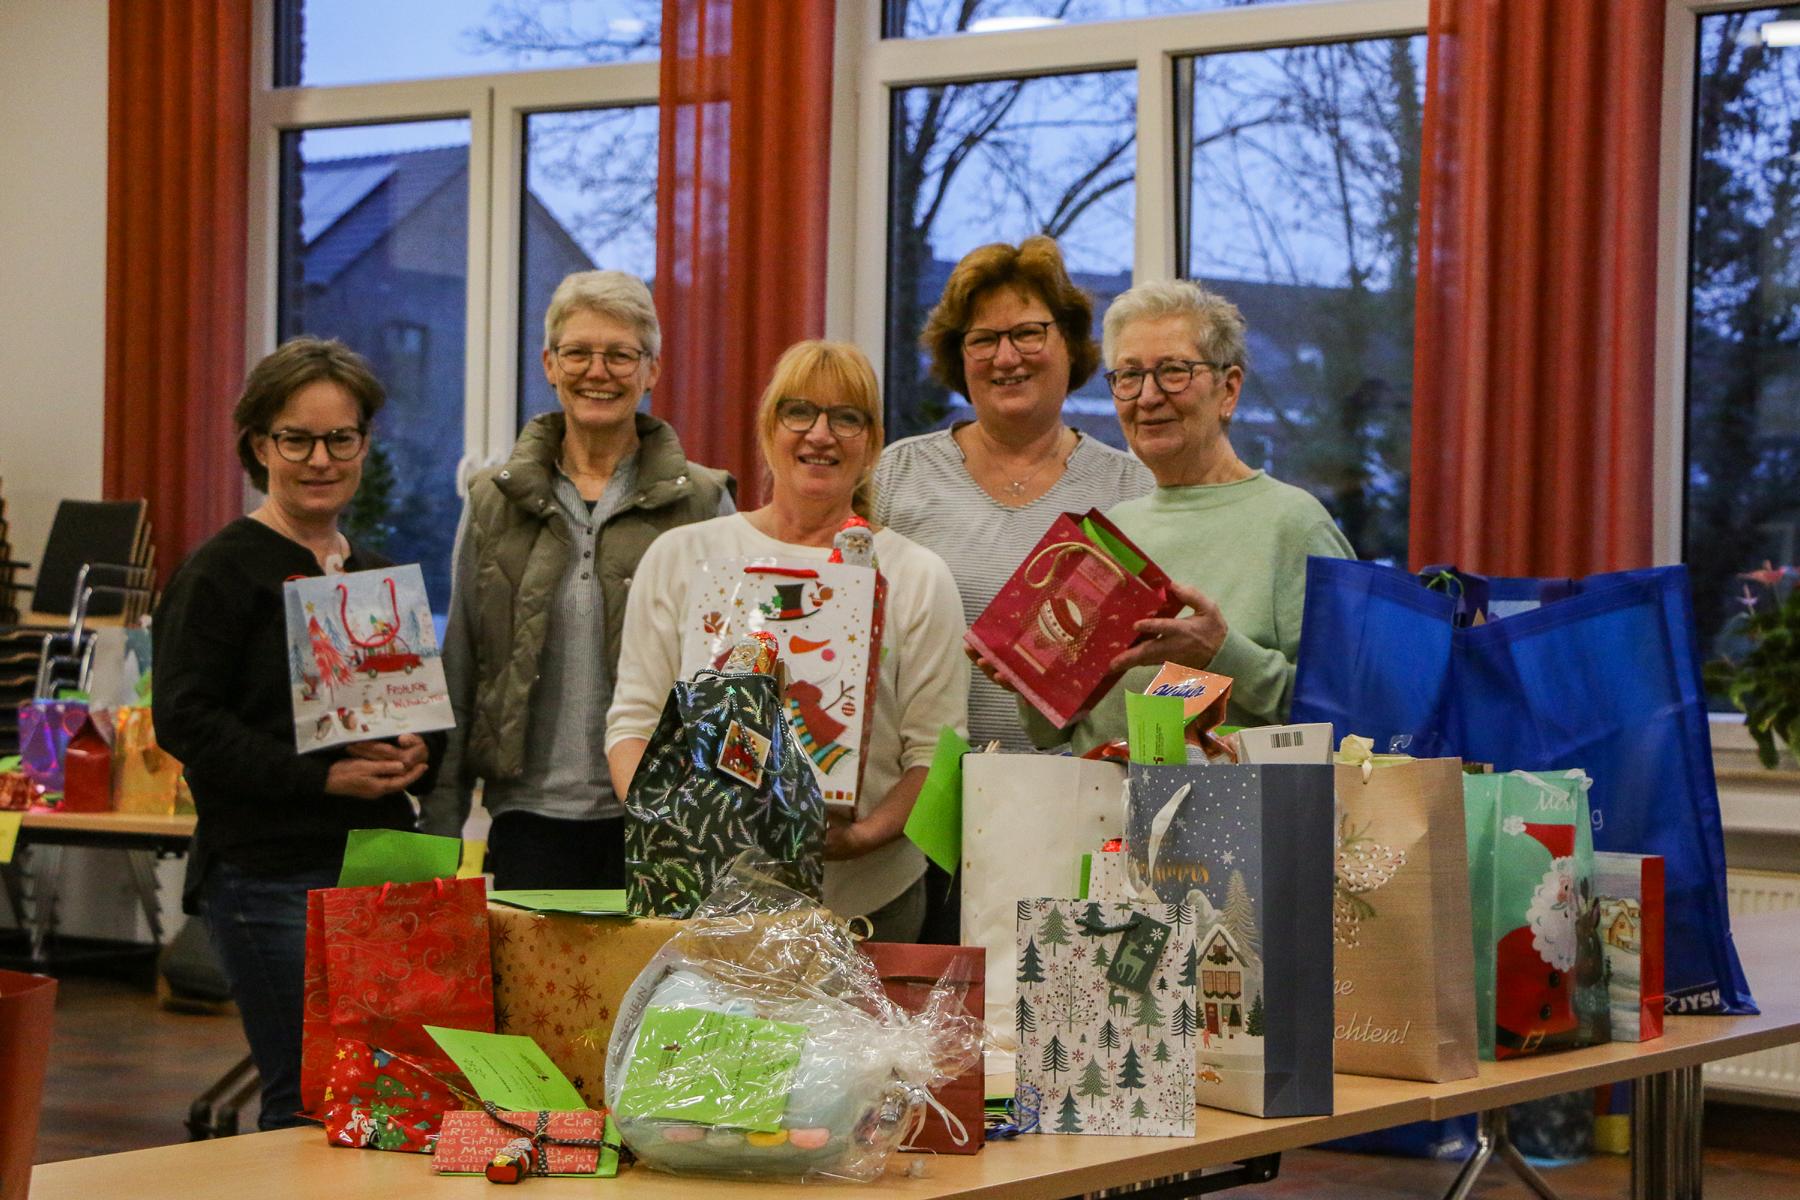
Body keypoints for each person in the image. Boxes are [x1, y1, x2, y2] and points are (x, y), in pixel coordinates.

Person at [154, 337, 446, 1130]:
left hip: (382, 865)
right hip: (268, 874)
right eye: (297, 438)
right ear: (259, 445)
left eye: (340, 438)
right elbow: (183, 718)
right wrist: (319, 778)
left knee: (382, 1099)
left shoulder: (377, 574)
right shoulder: (221, 571)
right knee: (313, 1098)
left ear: (363, 445)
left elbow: (421, 713)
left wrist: (422, 755)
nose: (320, 458)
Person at [606, 340, 967, 942]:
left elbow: (933, 755)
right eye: (799, 412)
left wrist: (859, 839)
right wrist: (678, 825)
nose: (820, 435)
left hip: (868, 903)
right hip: (704, 892)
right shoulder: (682, 557)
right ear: (768, 429)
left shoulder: (916, 575)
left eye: (846, 417)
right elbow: (634, 724)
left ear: (873, 442)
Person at [876, 236, 1151, 943]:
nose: (1007, 356)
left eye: (1029, 332)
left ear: (1069, 345)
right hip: (915, 822)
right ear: (956, 358)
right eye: (984, 339)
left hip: (1076, 812)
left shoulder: (1130, 490)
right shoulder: (893, 478)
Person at [419, 270, 733, 888]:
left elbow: (732, 675)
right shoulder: (491, 502)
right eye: (579, 353)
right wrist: (438, 829)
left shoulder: (703, 502)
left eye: (621, 355)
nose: (599, 371)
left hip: (667, 819)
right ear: (549, 364)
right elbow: (461, 663)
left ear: (652, 371)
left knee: (654, 991)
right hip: (527, 819)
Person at [994, 278, 1356, 754]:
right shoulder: (1111, 533)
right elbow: (1049, 734)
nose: (1147, 396)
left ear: (1228, 390)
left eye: (1173, 371)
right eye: (1129, 376)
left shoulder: (1294, 525)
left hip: (1239, 822)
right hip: (1097, 818)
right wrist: (1030, 680)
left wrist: (1221, 652)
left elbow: (1351, 721)